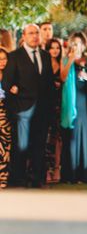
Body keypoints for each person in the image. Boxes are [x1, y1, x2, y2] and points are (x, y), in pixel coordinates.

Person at [1, 24, 56, 188]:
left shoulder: (45, 56)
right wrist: (14, 100)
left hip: (42, 108)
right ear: (23, 36)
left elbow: (49, 84)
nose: (35, 36)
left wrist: (50, 108)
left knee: (39, 144)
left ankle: (37, 179)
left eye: (37, 33)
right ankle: (19, 178)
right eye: (31, 33)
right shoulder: (15, 56)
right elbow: (6, 83)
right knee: (22, 145)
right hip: (22, 109)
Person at [60, 32, 87, 184]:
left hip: (85, 101)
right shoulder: (66, 60)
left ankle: (85, 173)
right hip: (71, 102)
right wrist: (70, 60)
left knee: (85, 136)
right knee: (72, 137)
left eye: (78, 43)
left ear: (83, 45)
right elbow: (62, 77)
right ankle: (71, 174)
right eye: (73, 43)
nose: (76, 46)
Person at [45, 38, 64, 183]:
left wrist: (69, 59)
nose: (55, 50)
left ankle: (57, 168)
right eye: (52, 48)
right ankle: (47, 170)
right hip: (46, 103)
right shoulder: (43, 63)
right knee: (47, 137)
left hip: (59, 104)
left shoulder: (61, 63)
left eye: (57, 47)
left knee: (57, 138)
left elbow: (63, 77)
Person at [0, 47, 11, 188]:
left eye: (4, 58)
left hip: (7, 112)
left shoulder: (11, 75)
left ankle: (3, 177)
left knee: (5, 144)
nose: (2, 61)